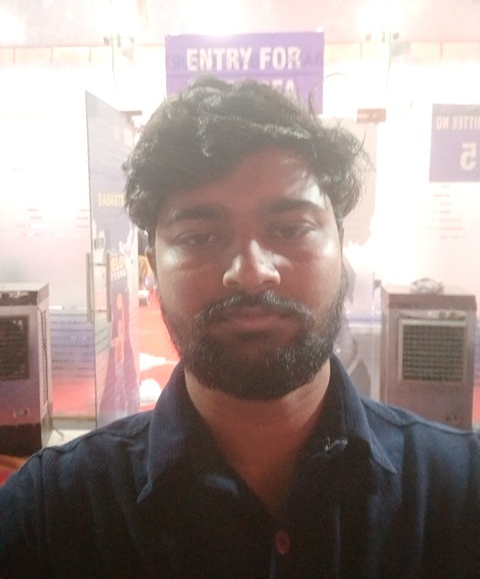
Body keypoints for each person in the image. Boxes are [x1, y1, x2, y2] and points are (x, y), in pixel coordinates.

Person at [0, 77, 478, 579]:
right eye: (199, 236)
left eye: (291, 229)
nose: (251, 273)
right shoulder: (50, 517)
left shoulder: (461, 494)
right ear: (152, 267)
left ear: (341, 247)